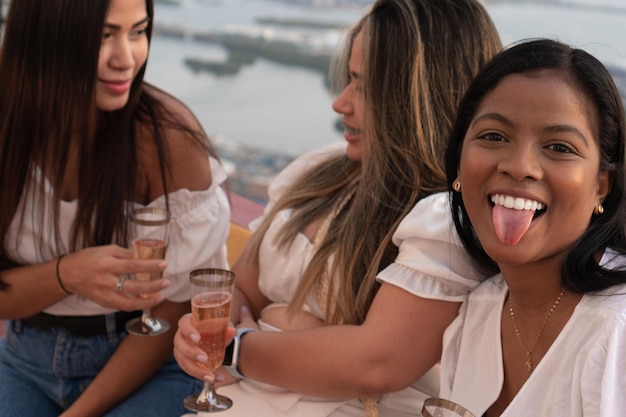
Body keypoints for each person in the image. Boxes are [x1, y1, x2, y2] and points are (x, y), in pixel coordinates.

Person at [175, 0, 501, 416]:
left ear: (420, 97)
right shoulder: (316, 172)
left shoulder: (447, 219)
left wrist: (239, 348)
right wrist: (206, 335)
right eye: (348, 78)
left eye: (364, 87)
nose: (340, 103)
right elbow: (244, 288)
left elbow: (374, 363)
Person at [0, 0, 230, 416]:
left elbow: (176, 305)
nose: (127, 59)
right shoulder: (8, 126)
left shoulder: (168, 141)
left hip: (147, 362)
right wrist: (67, 275)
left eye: (138, 31)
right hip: (23, 356)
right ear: (42, 36)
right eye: (104, 35)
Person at [440, 38, 626, 416]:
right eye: (494, 136)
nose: (520, 165)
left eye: (559, 147)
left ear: (600, 186)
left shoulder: (617, 330)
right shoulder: (476, 316)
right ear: (459, 165)